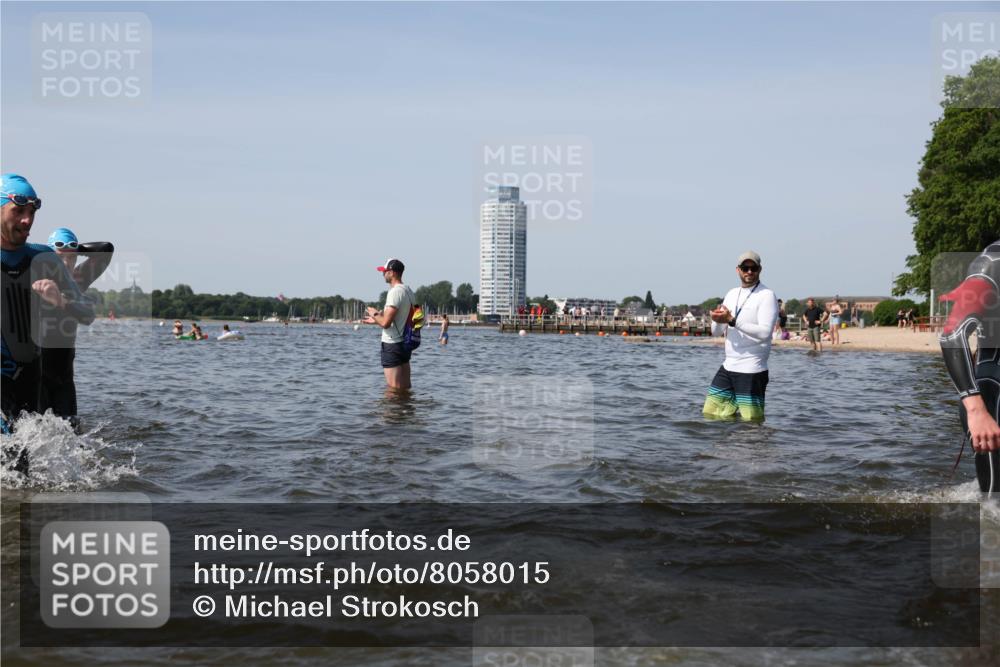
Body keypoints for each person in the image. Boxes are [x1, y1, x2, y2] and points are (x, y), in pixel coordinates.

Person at [1, 174, 95, 470]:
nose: (28, 220)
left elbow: (86, 314)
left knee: (19, 467)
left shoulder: (44, 257)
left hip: (29, 377)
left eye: (32, 212)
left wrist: (61, 300)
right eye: (19, 211)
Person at [939, 240, 1000, 493]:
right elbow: (953, 334)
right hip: (992, 398)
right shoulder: (992, 263)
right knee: (995, 506)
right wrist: (976, 410)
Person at [39, 227, 114, 429]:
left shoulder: (78, 280)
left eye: (71, 258)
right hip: (36, 372)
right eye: (60, 258)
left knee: (72, 433)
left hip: (64, 374)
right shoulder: (38, 281)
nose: (66, 263)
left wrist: (73, 248)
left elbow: (106, 248)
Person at [703, 251, 778, 421]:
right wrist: (716, 320)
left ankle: (752, 448)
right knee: (710, 415)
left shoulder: (767, 295)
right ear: (738, 270)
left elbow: (765, 333)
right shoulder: (731, 294)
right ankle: (729, 448)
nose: (749, 272)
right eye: (745, 268)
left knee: (752, 423)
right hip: (728, 367)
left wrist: (732, 320)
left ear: (760, 269)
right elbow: (716, 332)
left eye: (753, 268)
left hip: (752, 369)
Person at [365, 258, 416, 390]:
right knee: (405, 388)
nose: (383, 274)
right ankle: (407, 409)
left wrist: (374, 314)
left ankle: (392, 411)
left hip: (392, 345)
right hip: (405, 343)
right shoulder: (409, 291)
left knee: (393, 390)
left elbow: (386, 323)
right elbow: (399, 318)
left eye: (385, 271)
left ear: (392, 272)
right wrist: (378, 319)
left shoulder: (394, 292)